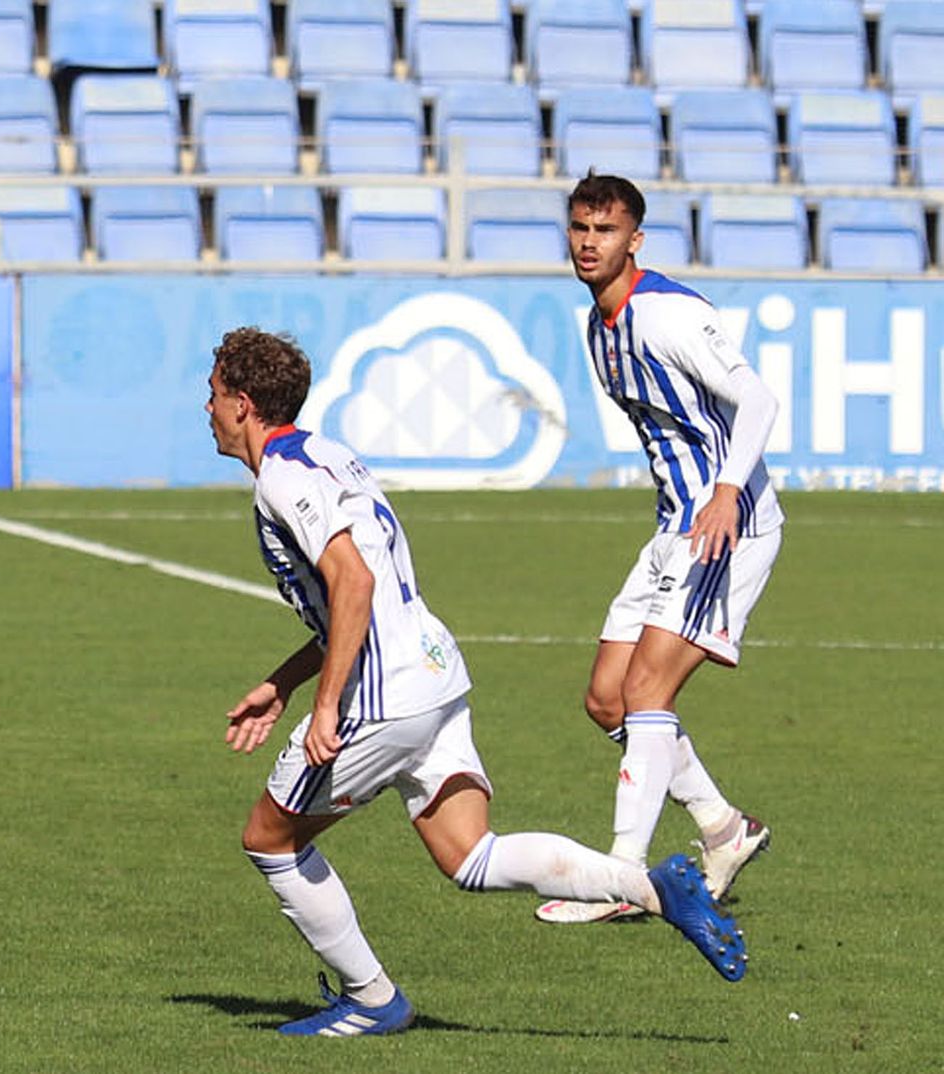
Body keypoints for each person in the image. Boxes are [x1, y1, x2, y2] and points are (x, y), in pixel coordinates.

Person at [207, 327, 747, 1037]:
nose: (208, 409)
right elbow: (362, 597)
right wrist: (284, 684)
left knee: (270, 838)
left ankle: (371, 999)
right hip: (432, 671)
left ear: (243, 403)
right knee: (470, 855)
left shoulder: (283, 477)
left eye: (213, 395)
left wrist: (328, 704)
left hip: (383, 696)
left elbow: (354, 584)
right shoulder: (329, 455)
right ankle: (651, 888)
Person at [536, 173, 779, 926]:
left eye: (605, 231)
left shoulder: (666, 314)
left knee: (646, 693)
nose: (588, 243)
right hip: (675, 526)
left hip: (727, 527)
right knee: (608, 699)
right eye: (580, 228)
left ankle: (622, 879)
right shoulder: (598, 326)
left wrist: (728, 490)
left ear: (634, 240)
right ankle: (723, 828)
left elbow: (759, 399)